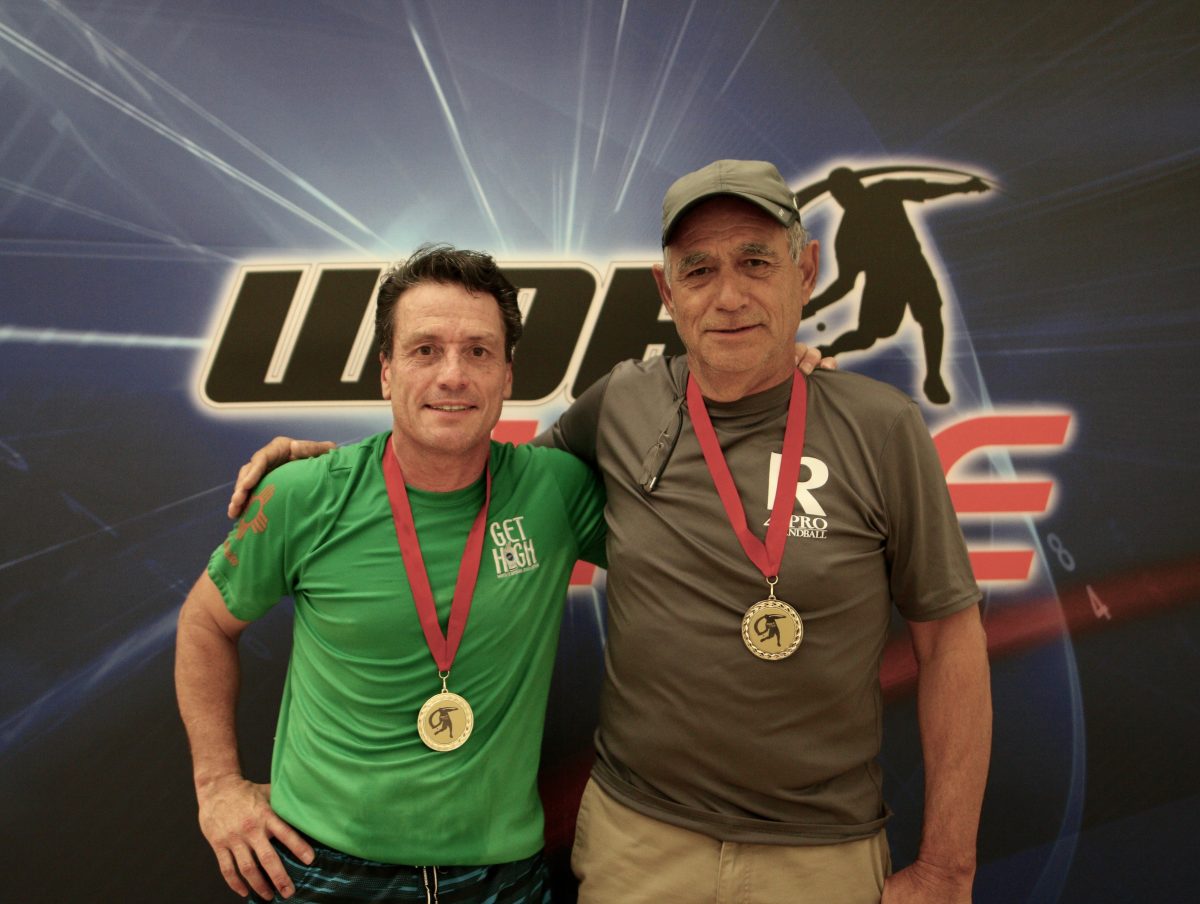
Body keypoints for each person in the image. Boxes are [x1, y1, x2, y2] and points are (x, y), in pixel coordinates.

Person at [232, 160, 991, 904]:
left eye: (756, 262)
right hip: (639, 843)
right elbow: (478, 479)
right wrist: (336, 472)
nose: (729, 295)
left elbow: (949, 640)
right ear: (667, 291)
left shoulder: (881, 428)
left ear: (807, 271)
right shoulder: (624, 403)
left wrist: (948, 867)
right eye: (699, 271)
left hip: (822, 853)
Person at [175, 245, 611, 903]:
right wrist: (217, 788)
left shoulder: (557, 491)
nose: (453, 375)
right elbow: (205, 623)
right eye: (425, 350)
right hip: (321, 869)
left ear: (507, 375)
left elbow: (686, 540)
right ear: (386, 371)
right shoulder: (303, 493)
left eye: (478, 352)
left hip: (500, 878)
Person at [805, 166, 990, 405]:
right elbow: (844, 284)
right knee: (867, 336)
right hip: (882, 284)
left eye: (846, 190)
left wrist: (963, 187)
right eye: (840, 194)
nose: (845, 198)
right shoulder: (848, 233)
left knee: (930, 317)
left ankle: (933, 377)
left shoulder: (883, 192)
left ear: (855, 186)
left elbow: (925, 189)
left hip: (913, 269)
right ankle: (830, 348)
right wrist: (810, 306)